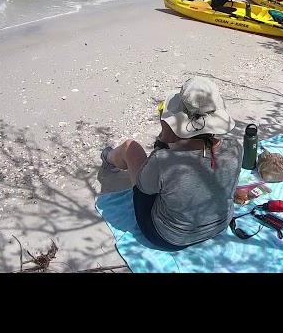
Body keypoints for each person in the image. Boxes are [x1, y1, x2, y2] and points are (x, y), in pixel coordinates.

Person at [100, 77, 243, 251]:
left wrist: (163, 140)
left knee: (130, 148)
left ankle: (109, 158)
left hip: (168, 237)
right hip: (219, 225)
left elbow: (143, 188)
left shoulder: (163, 160)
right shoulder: (236, 147)